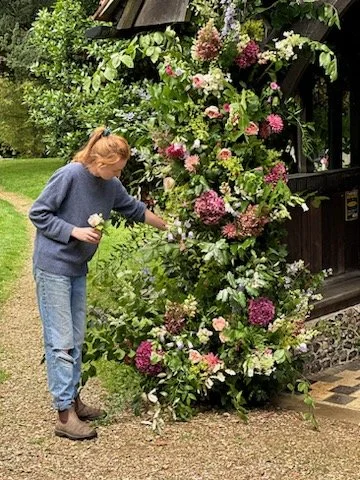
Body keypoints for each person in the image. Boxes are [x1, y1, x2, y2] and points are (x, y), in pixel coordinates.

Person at [29, 126, 167, 441]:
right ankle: (64, 415)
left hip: (77, 267)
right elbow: (38, 213)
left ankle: (73, 400)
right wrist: (74, 231)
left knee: (76, 337)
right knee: (61, 339)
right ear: (100, 162)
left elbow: (134, 209)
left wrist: (169, 227)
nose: (120, 174)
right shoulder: (70, 176)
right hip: (53, 267)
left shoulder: (110, 184)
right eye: (116, 168)